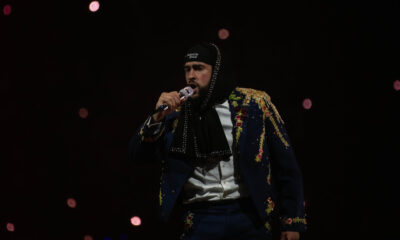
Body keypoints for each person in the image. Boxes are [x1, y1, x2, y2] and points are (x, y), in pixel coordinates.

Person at [129, 42, 307, 240]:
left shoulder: (254, 103)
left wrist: (292, 220)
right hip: (200, 218)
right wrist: (156, 118)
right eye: (187, 69)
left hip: (249, 215)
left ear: (216, 71)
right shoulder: (175, 112)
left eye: (199, 68)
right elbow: (137, 155)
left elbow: (286, 165)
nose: (191, 76)